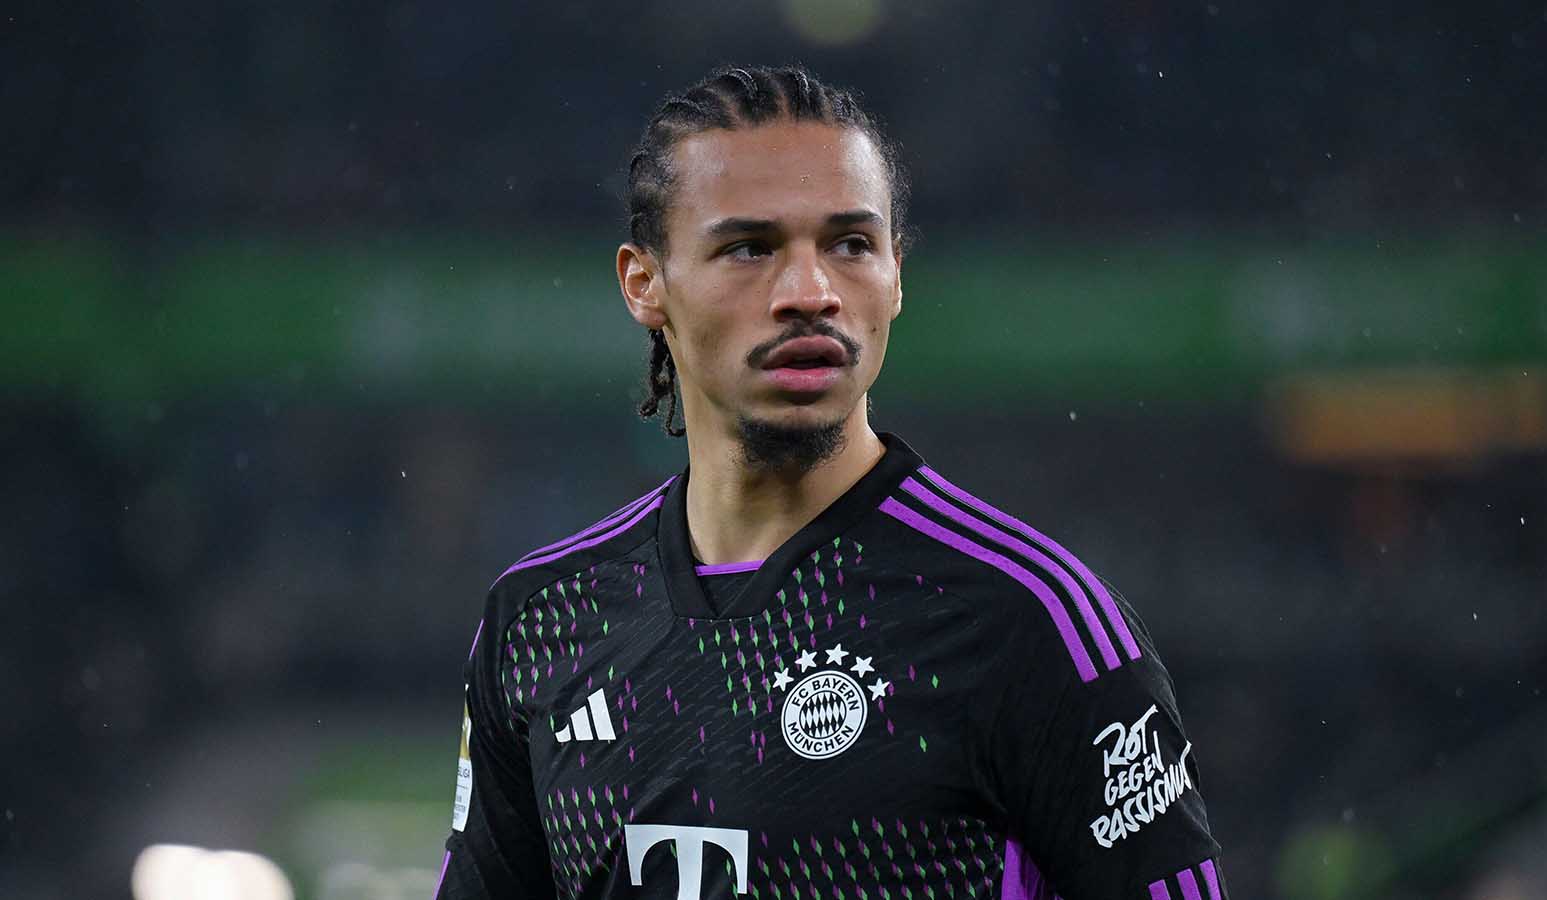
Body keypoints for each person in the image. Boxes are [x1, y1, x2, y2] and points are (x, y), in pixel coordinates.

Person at [436, 64, 1228, 900]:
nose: (810, 293)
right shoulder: (539, 620)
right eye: (750, 248)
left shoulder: (1030, 620)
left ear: (895, 275)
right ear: (645, 283)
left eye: (851, 244)